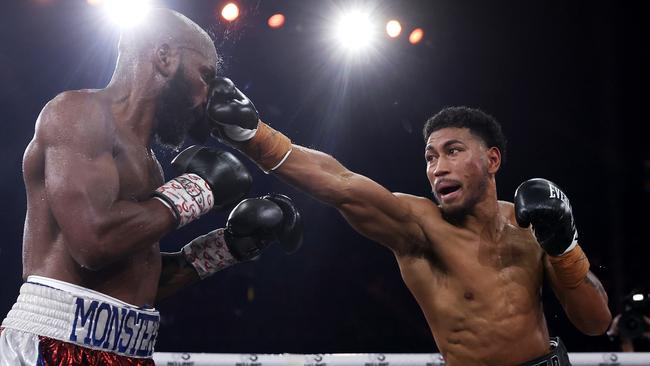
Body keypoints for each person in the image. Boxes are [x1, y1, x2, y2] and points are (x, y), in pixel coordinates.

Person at [203, 77, 612, 366]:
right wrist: (252, 135)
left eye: (453, 151)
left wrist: (565, 245)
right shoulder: (420, 227)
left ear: (492, 160)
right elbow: (341, 182)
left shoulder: (533, 224)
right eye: (431, 157)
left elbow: (595, 323)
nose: (437, 168)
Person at [0, 10, 302, 365]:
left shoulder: (149, 166)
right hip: (53, 344)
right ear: (165, 56)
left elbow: (135, 279)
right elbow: (93, 243)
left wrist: (227, 247)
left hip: (129, 350)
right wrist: (199, 188)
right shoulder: (78, 113)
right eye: (206, 75)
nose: (209, 96)